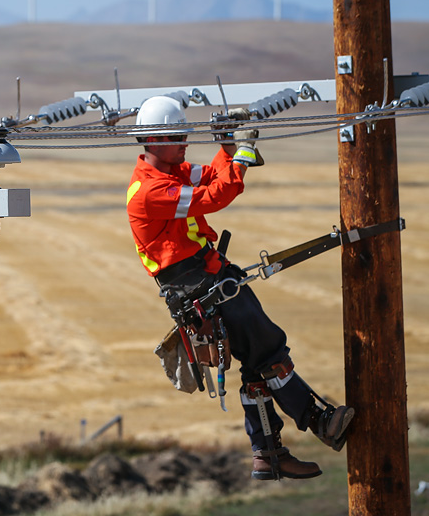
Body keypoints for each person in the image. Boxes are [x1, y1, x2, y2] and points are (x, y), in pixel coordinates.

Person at [125, 95, 353, 481]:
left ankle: (268, 455)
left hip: (210, 279)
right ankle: (318, 421)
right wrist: (244, 153)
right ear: (154, 140)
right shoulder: (150, 191)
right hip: (201, 287)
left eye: (184, 135)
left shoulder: (173, 172)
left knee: (258, 363)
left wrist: (229, 146)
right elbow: (216, 196)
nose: (184, 142)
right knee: (269, 351)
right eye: (178, 136)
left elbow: (213, 176)